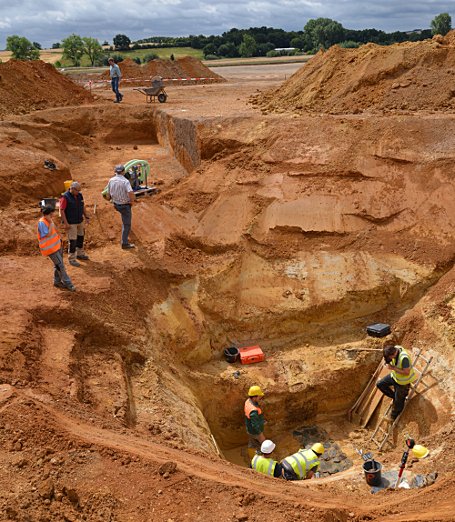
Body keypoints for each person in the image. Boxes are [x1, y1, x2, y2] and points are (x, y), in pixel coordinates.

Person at [37, 205, 75, 292]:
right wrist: (51, 223)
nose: (52, 216)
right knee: (60, 265)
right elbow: (48, 234)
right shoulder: (42, 223)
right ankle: (68, 284)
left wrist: (60, 237)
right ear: (46, 214)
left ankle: (57, 281)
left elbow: (54, 230)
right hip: (50, 249)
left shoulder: (49, 220)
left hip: (57, 246)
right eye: (51, 215)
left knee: (58, 265)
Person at [376, 343, 416, 421]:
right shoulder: (395, 348)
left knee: (399, 402)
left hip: (403, 382)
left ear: (393, 354)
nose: (390, 359)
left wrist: (392, 368)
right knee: (380, 384)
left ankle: (393, 417)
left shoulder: (404, 358)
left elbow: (406, 372)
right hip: (395, 377)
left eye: (390, 357)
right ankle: (394, 397)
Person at [59, 181, 90, 267]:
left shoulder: (79, 195)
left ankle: (80, 254)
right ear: (72, 188)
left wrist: (86, 216)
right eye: (77, 190)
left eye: (79, 191)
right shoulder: (65, 197)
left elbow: (82, 206)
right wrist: (66, 223)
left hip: (79, 220)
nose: (78, 192)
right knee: (72, 241)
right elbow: (62, 210)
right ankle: (72, 258)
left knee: (80, 237)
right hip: (71, 222)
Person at [106, 164, 136, 249]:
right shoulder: (125, 181)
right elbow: (130, 193)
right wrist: (132, 201)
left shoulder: (111, 180)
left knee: (124, 217)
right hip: (125, 205)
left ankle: (126, 231)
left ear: (115, 172)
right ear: (123, 171)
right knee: (127, 224)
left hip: (116, 204)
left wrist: (111, 200)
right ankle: (124, 243)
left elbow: (108, 194)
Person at [244, 385, 266, 459]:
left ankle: (251, 456)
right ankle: (265, 458)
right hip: (254, 431)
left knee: (252, 443)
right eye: (259, 397)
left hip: (249, 428)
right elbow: (255, 424)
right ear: (254, 397)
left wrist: (261, 421)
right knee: (264, 443)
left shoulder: (248, 401)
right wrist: (260, 433)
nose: (260, 398)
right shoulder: (253, 411)